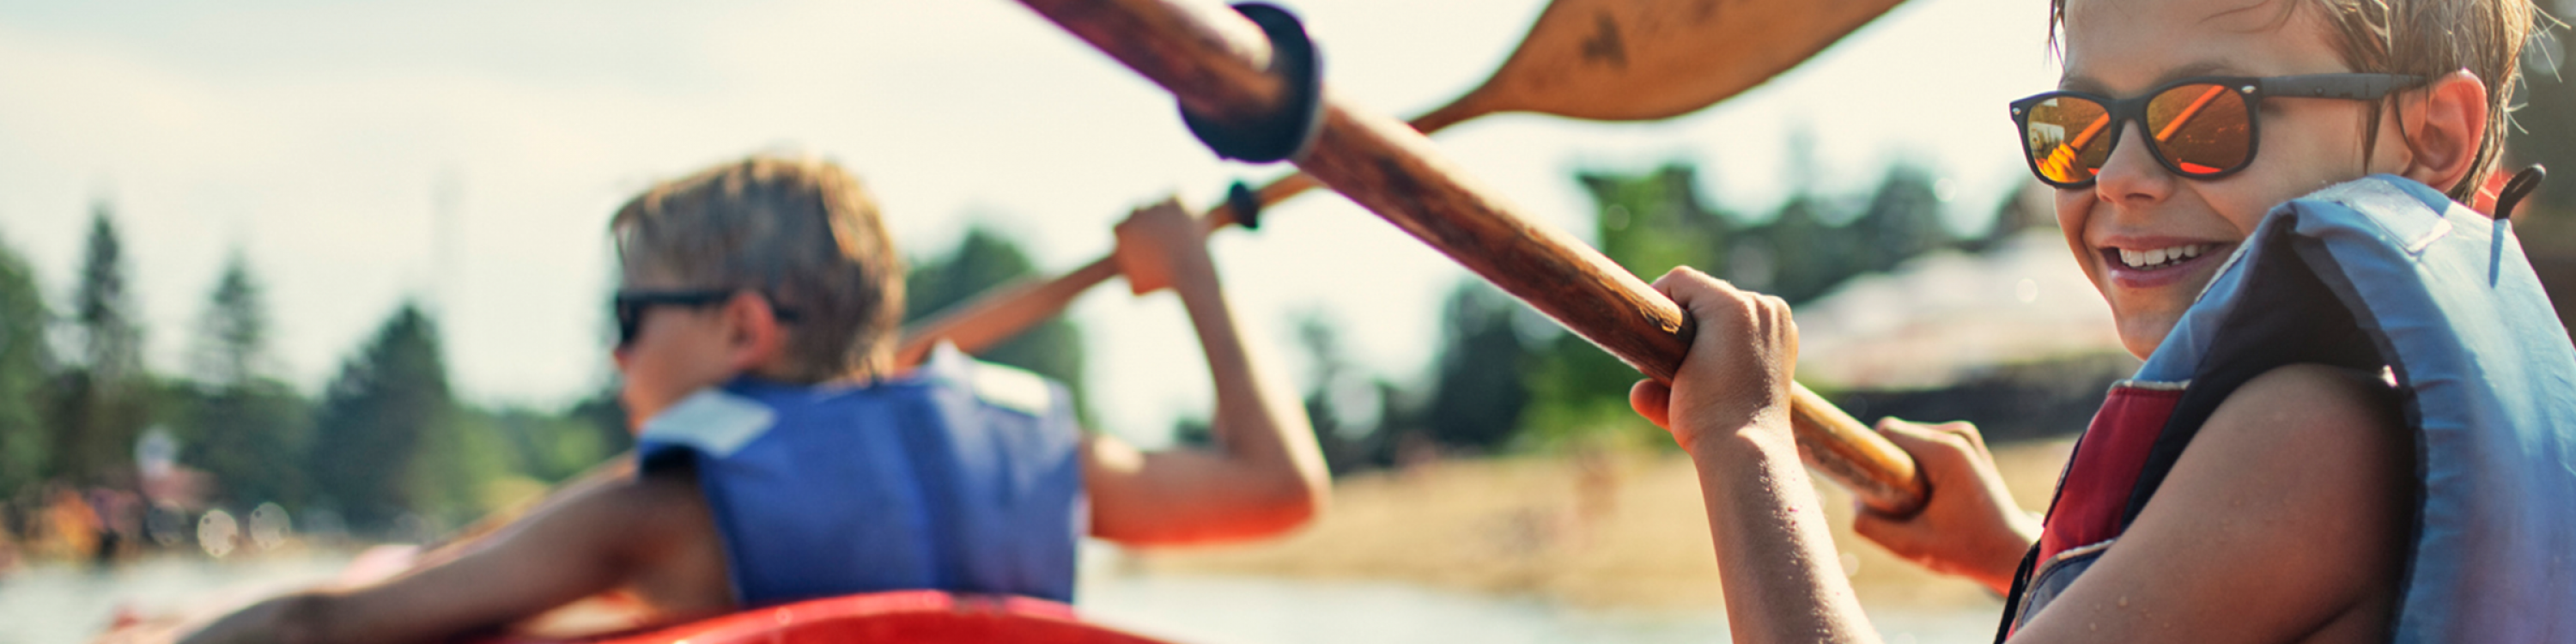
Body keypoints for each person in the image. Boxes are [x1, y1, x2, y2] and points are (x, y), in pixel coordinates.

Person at [1625, 0, 2567, 641]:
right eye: (2076, 125)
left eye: (2204, 116)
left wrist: (1742, 434)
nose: (2117, 173)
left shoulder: (2312, 435)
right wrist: (2015, 553)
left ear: (2432, 136)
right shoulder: (2365, 430)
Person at [172, 155, 1329, 642]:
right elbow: (1275, 490)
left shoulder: (657, 506)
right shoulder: (1038, 452)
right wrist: (1196, 280)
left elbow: (322, 629)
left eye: (629, 322)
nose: (615, 361)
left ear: (741, 326)